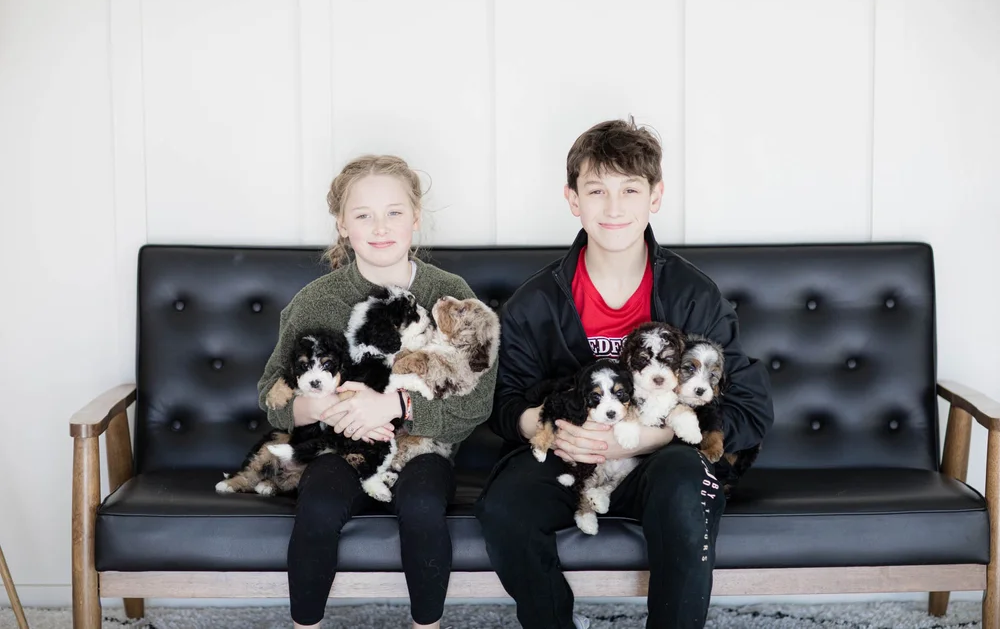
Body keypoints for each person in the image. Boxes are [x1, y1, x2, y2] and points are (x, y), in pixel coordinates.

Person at [474, 118, 773, 629]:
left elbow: (750, 408)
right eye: (597, 190)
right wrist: (551, 430)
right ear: (573, 200)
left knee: (687, 484)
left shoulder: (693, 295)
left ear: (654, 197)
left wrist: (635, 442)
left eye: (629, 189)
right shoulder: (536, 302)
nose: (613, 208)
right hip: (568, 454)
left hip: (661, 460)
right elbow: (502, 403)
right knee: (505, 508)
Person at [258, 154, 498, 629]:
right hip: (340, 449)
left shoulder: (450, 292)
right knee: (319, 504)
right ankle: (305, 623)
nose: (380, 226)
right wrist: (319, 405)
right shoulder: (316, 301)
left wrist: (395, 405)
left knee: (423, 505)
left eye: (393, 212)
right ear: (343, 226)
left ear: (415, 218)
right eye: (363, 215)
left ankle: (425, 623)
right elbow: (271, 393)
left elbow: (478, 400)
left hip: (422, 453)